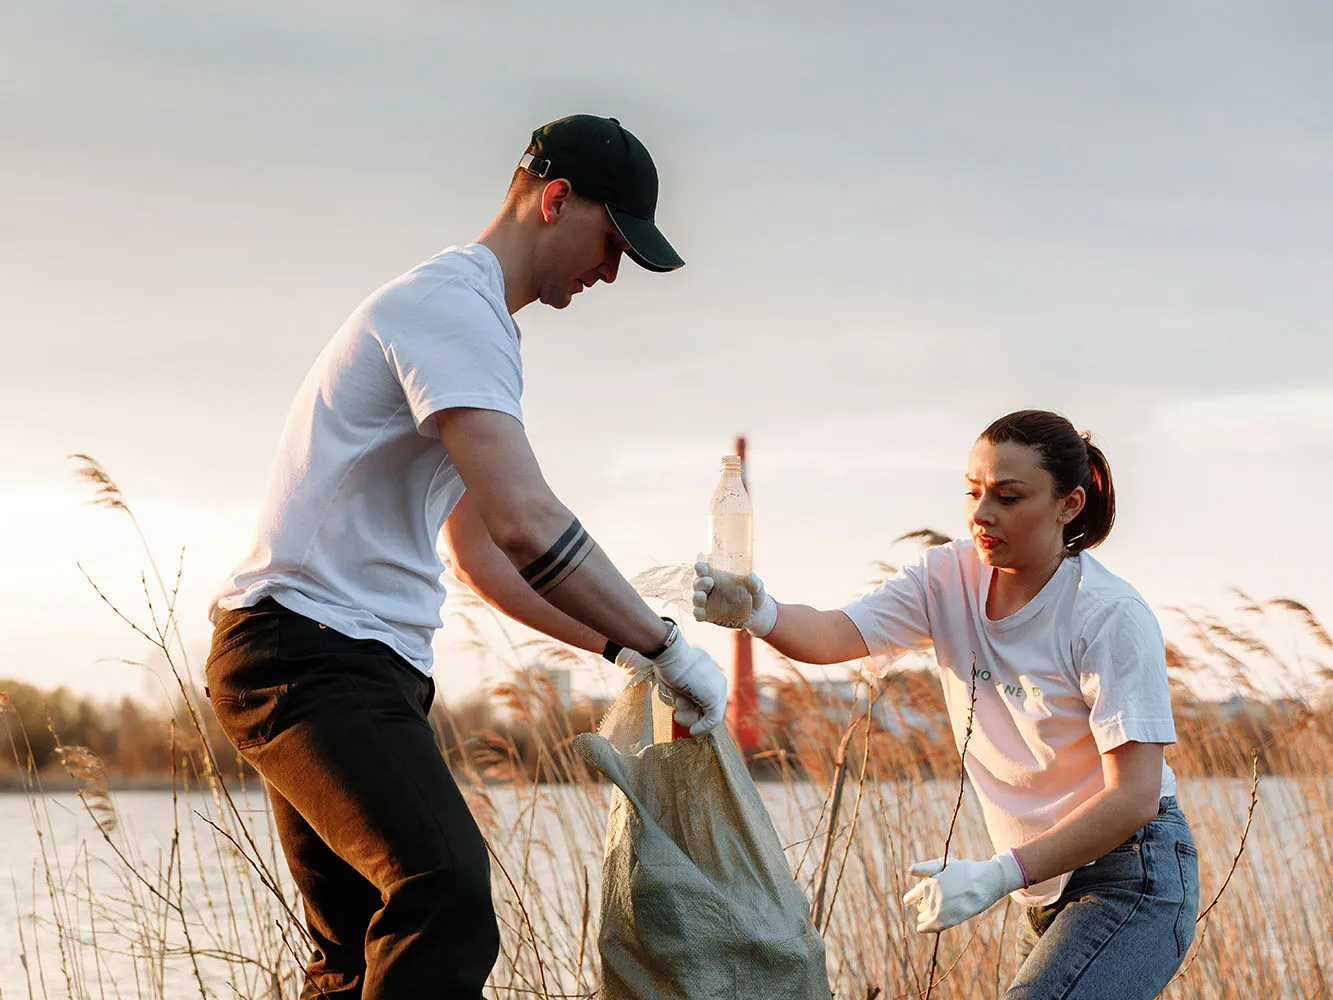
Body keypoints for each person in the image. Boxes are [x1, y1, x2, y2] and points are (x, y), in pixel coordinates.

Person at [205, 114, 728, 1000]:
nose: (608, 273)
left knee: (356, 954)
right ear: (555, 199)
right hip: (309, 656)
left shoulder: (471, 328)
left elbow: (486, 555)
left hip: (341, 663)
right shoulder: (450, 307)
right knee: (441, 893)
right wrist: (667, 642)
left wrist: (625, 648)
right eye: (611, 242)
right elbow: (527, 520)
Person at [691, 409, 1199, 999]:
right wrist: (757, 613)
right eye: (974, 492)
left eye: (1009, 497)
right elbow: (835, 632)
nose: (983, 514)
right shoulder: (947, 576)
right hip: (1040, 882)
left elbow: (1134, 796)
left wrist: (996, 874)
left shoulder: (1107, 613)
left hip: (1131, 874)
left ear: (1070, 504)